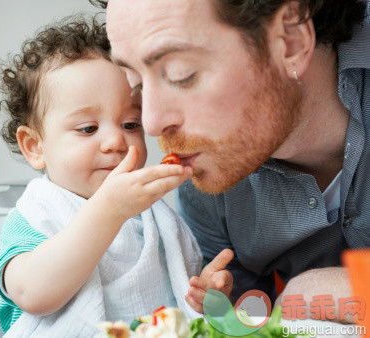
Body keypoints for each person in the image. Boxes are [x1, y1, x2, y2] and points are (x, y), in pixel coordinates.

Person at [98, 0, 370, 322]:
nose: (153, 122)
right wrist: (229, 310)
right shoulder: (208, 176)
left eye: (181, 75)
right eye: (138, 85)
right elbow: (247, 320)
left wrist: (317, 292)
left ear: (291, 41)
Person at [0, 16, 233, 337]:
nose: (116, 142)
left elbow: (178, 294)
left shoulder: (156, 217)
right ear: (35, 146)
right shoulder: (36, 216)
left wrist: (204, 295)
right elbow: (34, 294)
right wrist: (109, 210)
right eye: (88, 128)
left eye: (130, 124)